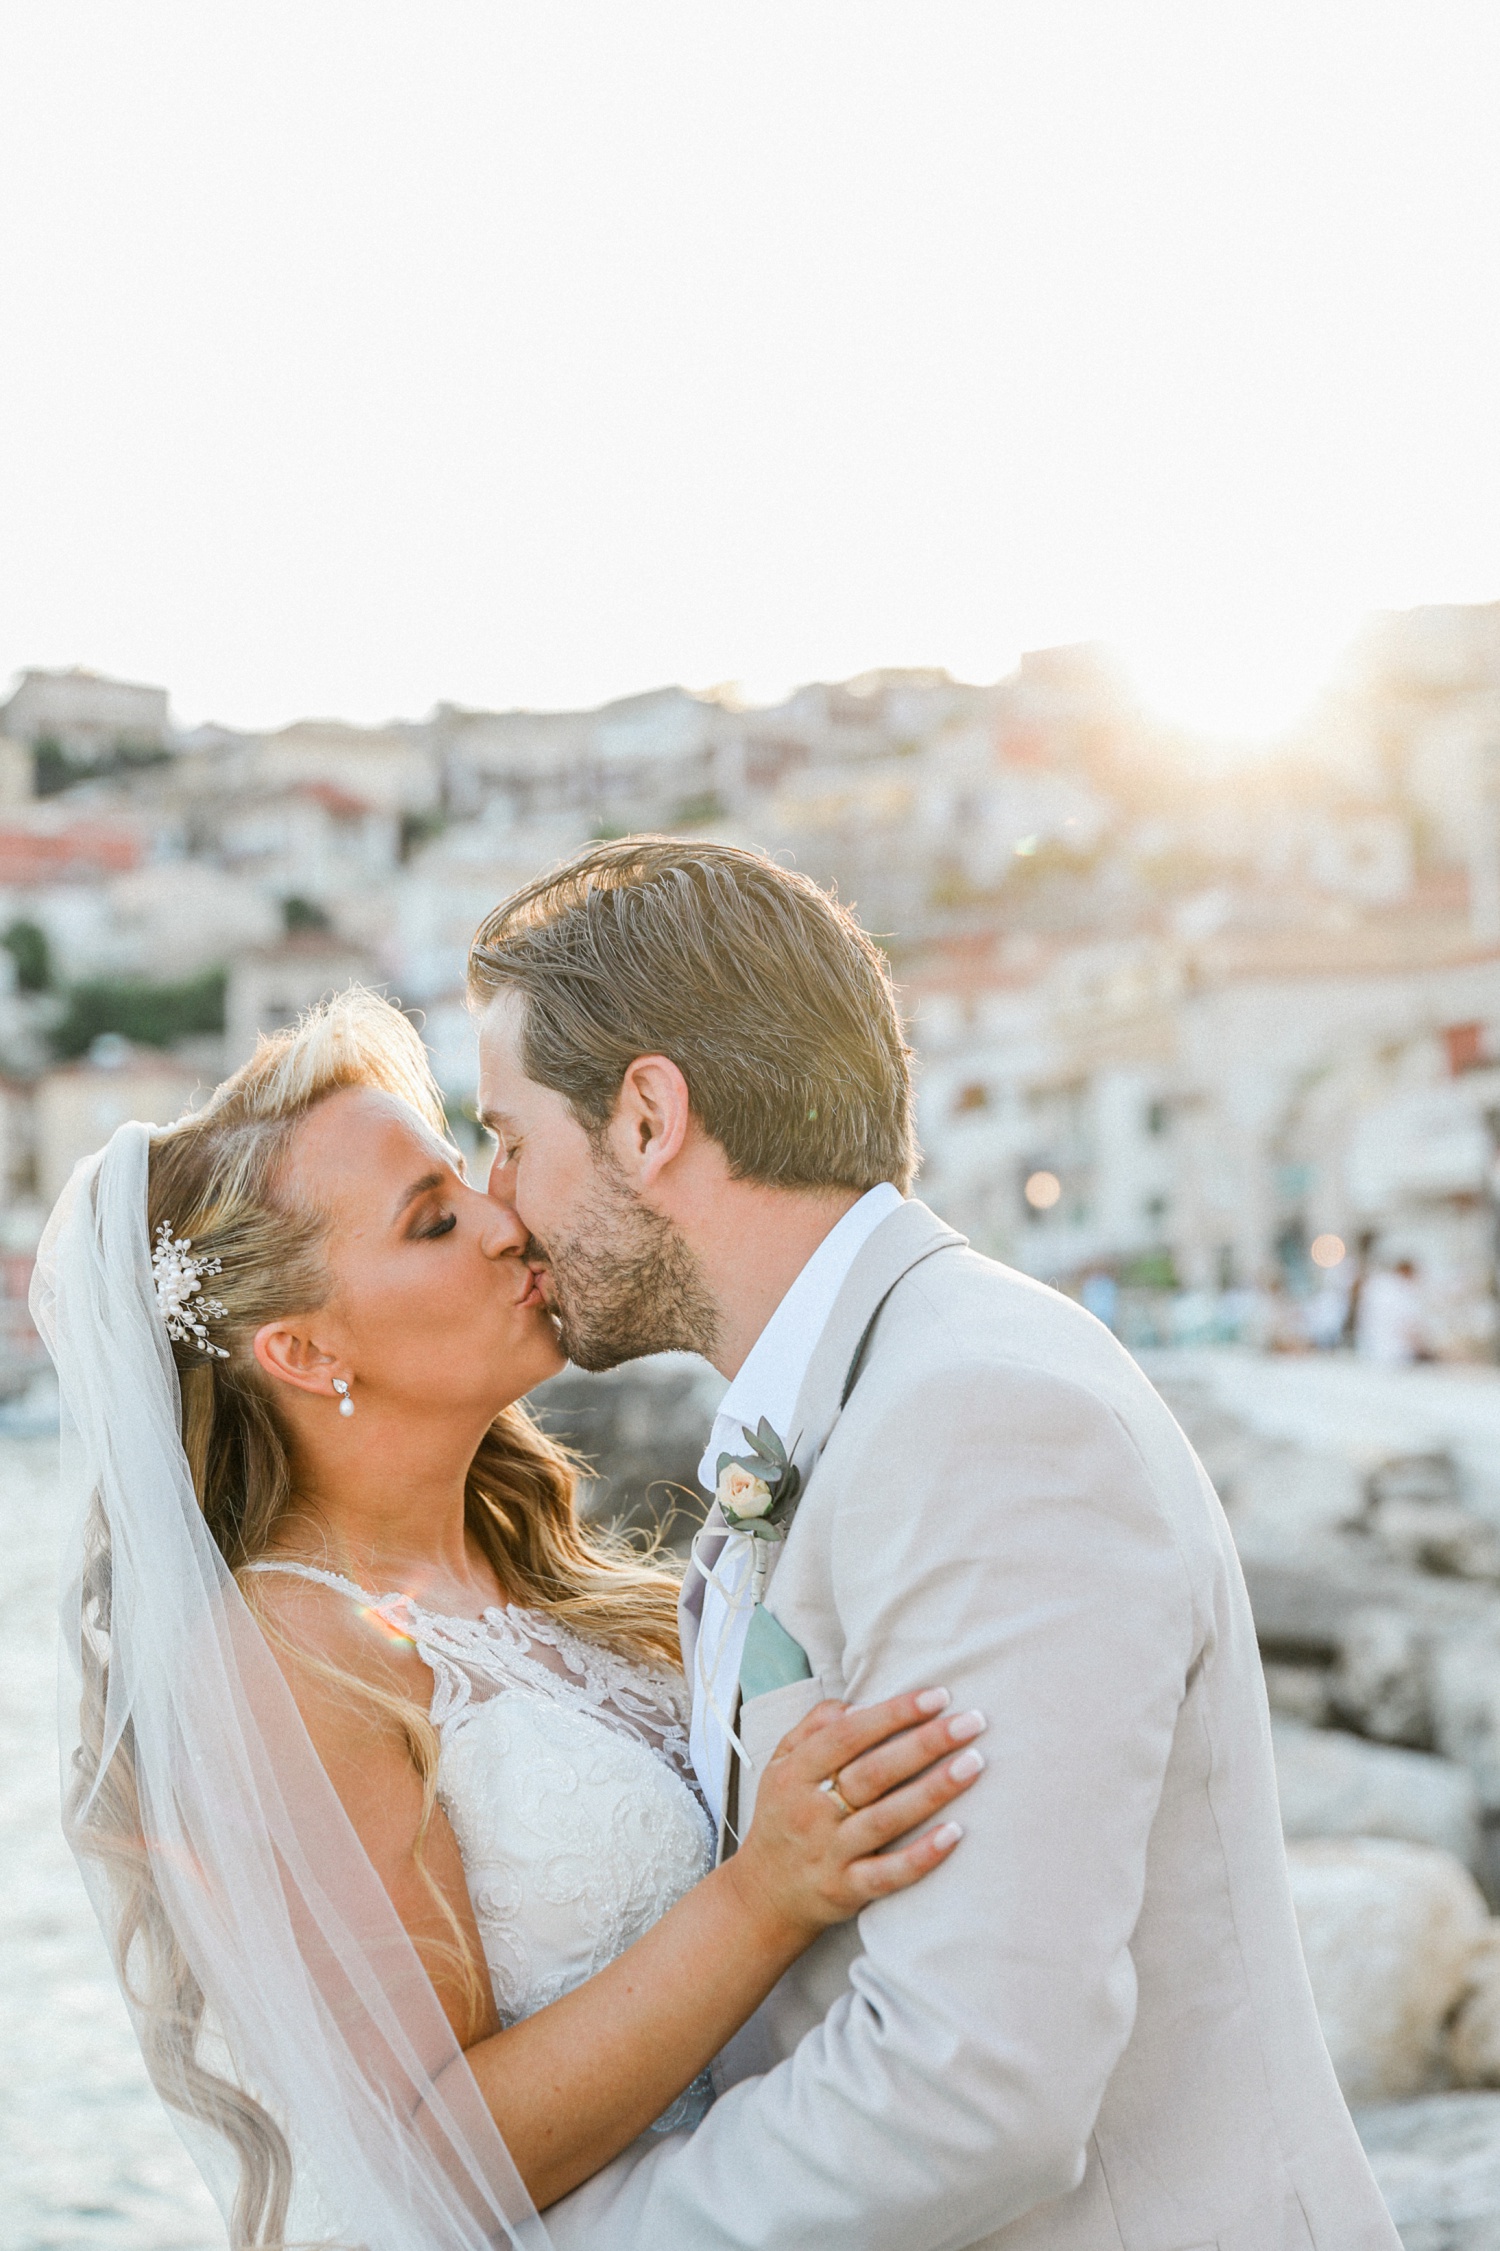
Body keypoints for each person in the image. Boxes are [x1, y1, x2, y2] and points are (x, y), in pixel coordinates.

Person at [469, 836, 1399, 2251]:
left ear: (648, 1116)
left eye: (507, 1136)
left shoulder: (980, 1413)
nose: (497, 1204)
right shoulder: (880, 1389)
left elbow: (971, 2085)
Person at [35, 992, 983, 2250]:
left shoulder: (527, 1577)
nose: (504, 1220)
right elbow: (426, 2148)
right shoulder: (296, 1653)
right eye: (434, 1221)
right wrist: (767, 1896)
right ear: (308, 1353)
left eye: (472, 1177)